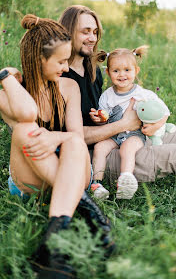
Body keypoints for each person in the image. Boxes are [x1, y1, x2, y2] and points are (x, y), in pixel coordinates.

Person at [59, 5, 176, 196]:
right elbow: (70, 136)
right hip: (98, 154)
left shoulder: (93, 71)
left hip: (127, 137)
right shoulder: (61, 78)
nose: (93, 38)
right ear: (68, 32)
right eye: (85, 32)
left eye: (95, 32)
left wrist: (153, 123)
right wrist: (124, 124)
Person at [0, 14, 114, 279]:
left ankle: (52, 245)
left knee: (72, 140)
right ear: (41, 59)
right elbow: (27, 112)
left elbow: (75, 136)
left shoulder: (69, 87)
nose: (66, 67)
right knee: (24, 129)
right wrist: (5, 77)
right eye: (61, 61)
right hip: (31, 180)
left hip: (73, 169)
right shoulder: (12, 92)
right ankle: (85, 208)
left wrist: (55, 138)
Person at [89, 46, 171, 200]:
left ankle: (125, 180)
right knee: (100, 147)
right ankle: (96, 184)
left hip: (135, 134)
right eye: (116, 71)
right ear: (108, 72)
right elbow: (104, 120)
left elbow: (165, 111)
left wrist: (155, 126)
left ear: (136, 71)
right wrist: (100, 119)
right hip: (113, 134)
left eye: (127, 70)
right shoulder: (107, 96)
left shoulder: (143, 94)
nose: (122, 75)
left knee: (127, 148)